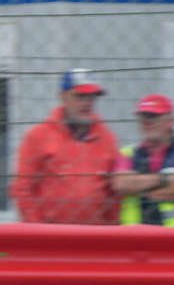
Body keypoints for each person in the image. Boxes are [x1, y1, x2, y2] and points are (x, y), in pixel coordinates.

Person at [11, 70, 122, 224]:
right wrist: (37, 230)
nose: (87, 103)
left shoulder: (107, 137)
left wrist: (109, 230)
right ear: (63, 97)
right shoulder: (38, 135)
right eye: (80, 96)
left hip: (94, 234)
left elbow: (114, 192)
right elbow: (22, 188)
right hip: (51, 234)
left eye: (92, 97)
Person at [111, 94, 174, 226]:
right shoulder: (128, 153)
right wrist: (164, 179)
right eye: (143, 117)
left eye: (154, 117)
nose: (148, 122)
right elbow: (121, 184)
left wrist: (141, 187)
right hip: (135, 235)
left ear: (171, 121)